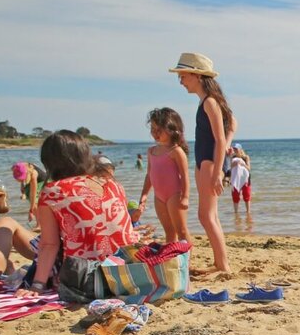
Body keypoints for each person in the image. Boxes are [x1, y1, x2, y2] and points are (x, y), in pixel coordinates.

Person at [19, 131, 139, 298]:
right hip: (132, 273)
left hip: (87, 280)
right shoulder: (112, 184)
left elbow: (49, 245)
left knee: (44, 242)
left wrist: (37, 286)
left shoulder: (52, 192)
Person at [171, 52, 234, 274]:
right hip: (204, 161)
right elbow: (232, 126)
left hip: (208, 162)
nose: (181, 81)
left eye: (183, 76)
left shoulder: (210, 102)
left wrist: (218, 172)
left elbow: (218, 139)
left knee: (206, 216)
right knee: (210, 215)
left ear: (197, 76)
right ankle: (219, 263)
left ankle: (223, 265)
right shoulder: (207, 101)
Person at [133, 108, 191, 243]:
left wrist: (186, 197)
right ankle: (172, 258)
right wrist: (144, 196)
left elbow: (185, 175)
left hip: (175, 195)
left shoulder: (176, 151)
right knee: (169, 231)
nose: (154, 133)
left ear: (171, 129)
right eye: (152, 129)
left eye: (158, 129)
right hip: (159, 197)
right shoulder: (151, 151)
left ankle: (185, 261)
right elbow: (149, 175)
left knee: (181, 230)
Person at [229, 146, 252, 217]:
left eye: (236, 149)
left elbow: (249, 168)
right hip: (235, 179)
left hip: (245, 178)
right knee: (235, 195)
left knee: (247, 194)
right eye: (234, 149)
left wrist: (243, 164)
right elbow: (229, 167)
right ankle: (236, 212)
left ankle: (248, 212)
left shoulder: (245, 157)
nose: (235, 150)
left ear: (240, 149)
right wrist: (234, 164)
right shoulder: (232, 157)